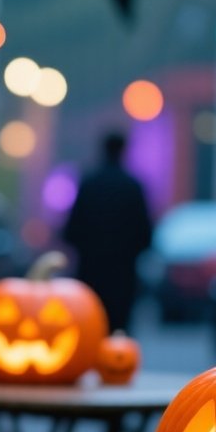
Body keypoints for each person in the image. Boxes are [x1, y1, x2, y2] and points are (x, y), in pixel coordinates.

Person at [62, 131, 153, 330]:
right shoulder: (133, 187)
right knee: (119, 326)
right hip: (123, 272)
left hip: (91, 269)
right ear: (124, 150)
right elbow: (146, 233)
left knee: (90, 322)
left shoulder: (89, 183)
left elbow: (71, 229)